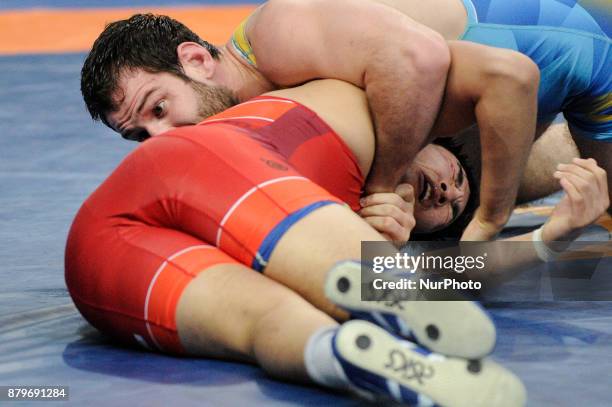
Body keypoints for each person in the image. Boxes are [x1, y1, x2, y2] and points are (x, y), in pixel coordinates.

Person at [66, 78, 609, 405]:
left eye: (446, 207)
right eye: (453, 174)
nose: (442, 190)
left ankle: (350, 359)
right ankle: (389, 295)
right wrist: (493, 215)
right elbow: (503, 74)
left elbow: (459, 271)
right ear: (438, 135)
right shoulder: (365, 99)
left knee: (269, 325)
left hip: (97, 258)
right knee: (371, 272)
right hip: (195, 172)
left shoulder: (379, 226)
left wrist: (549, 238)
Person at [81, 8, 542, 240]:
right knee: (444, 202)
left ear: (197, 59)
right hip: (493, 97)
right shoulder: (258, 109)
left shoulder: (276, 39)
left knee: (452, 204)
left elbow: (421, 59)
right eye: (139, 135)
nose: (161, 140)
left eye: (158, 109)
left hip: (549, 46)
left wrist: (382, 182)